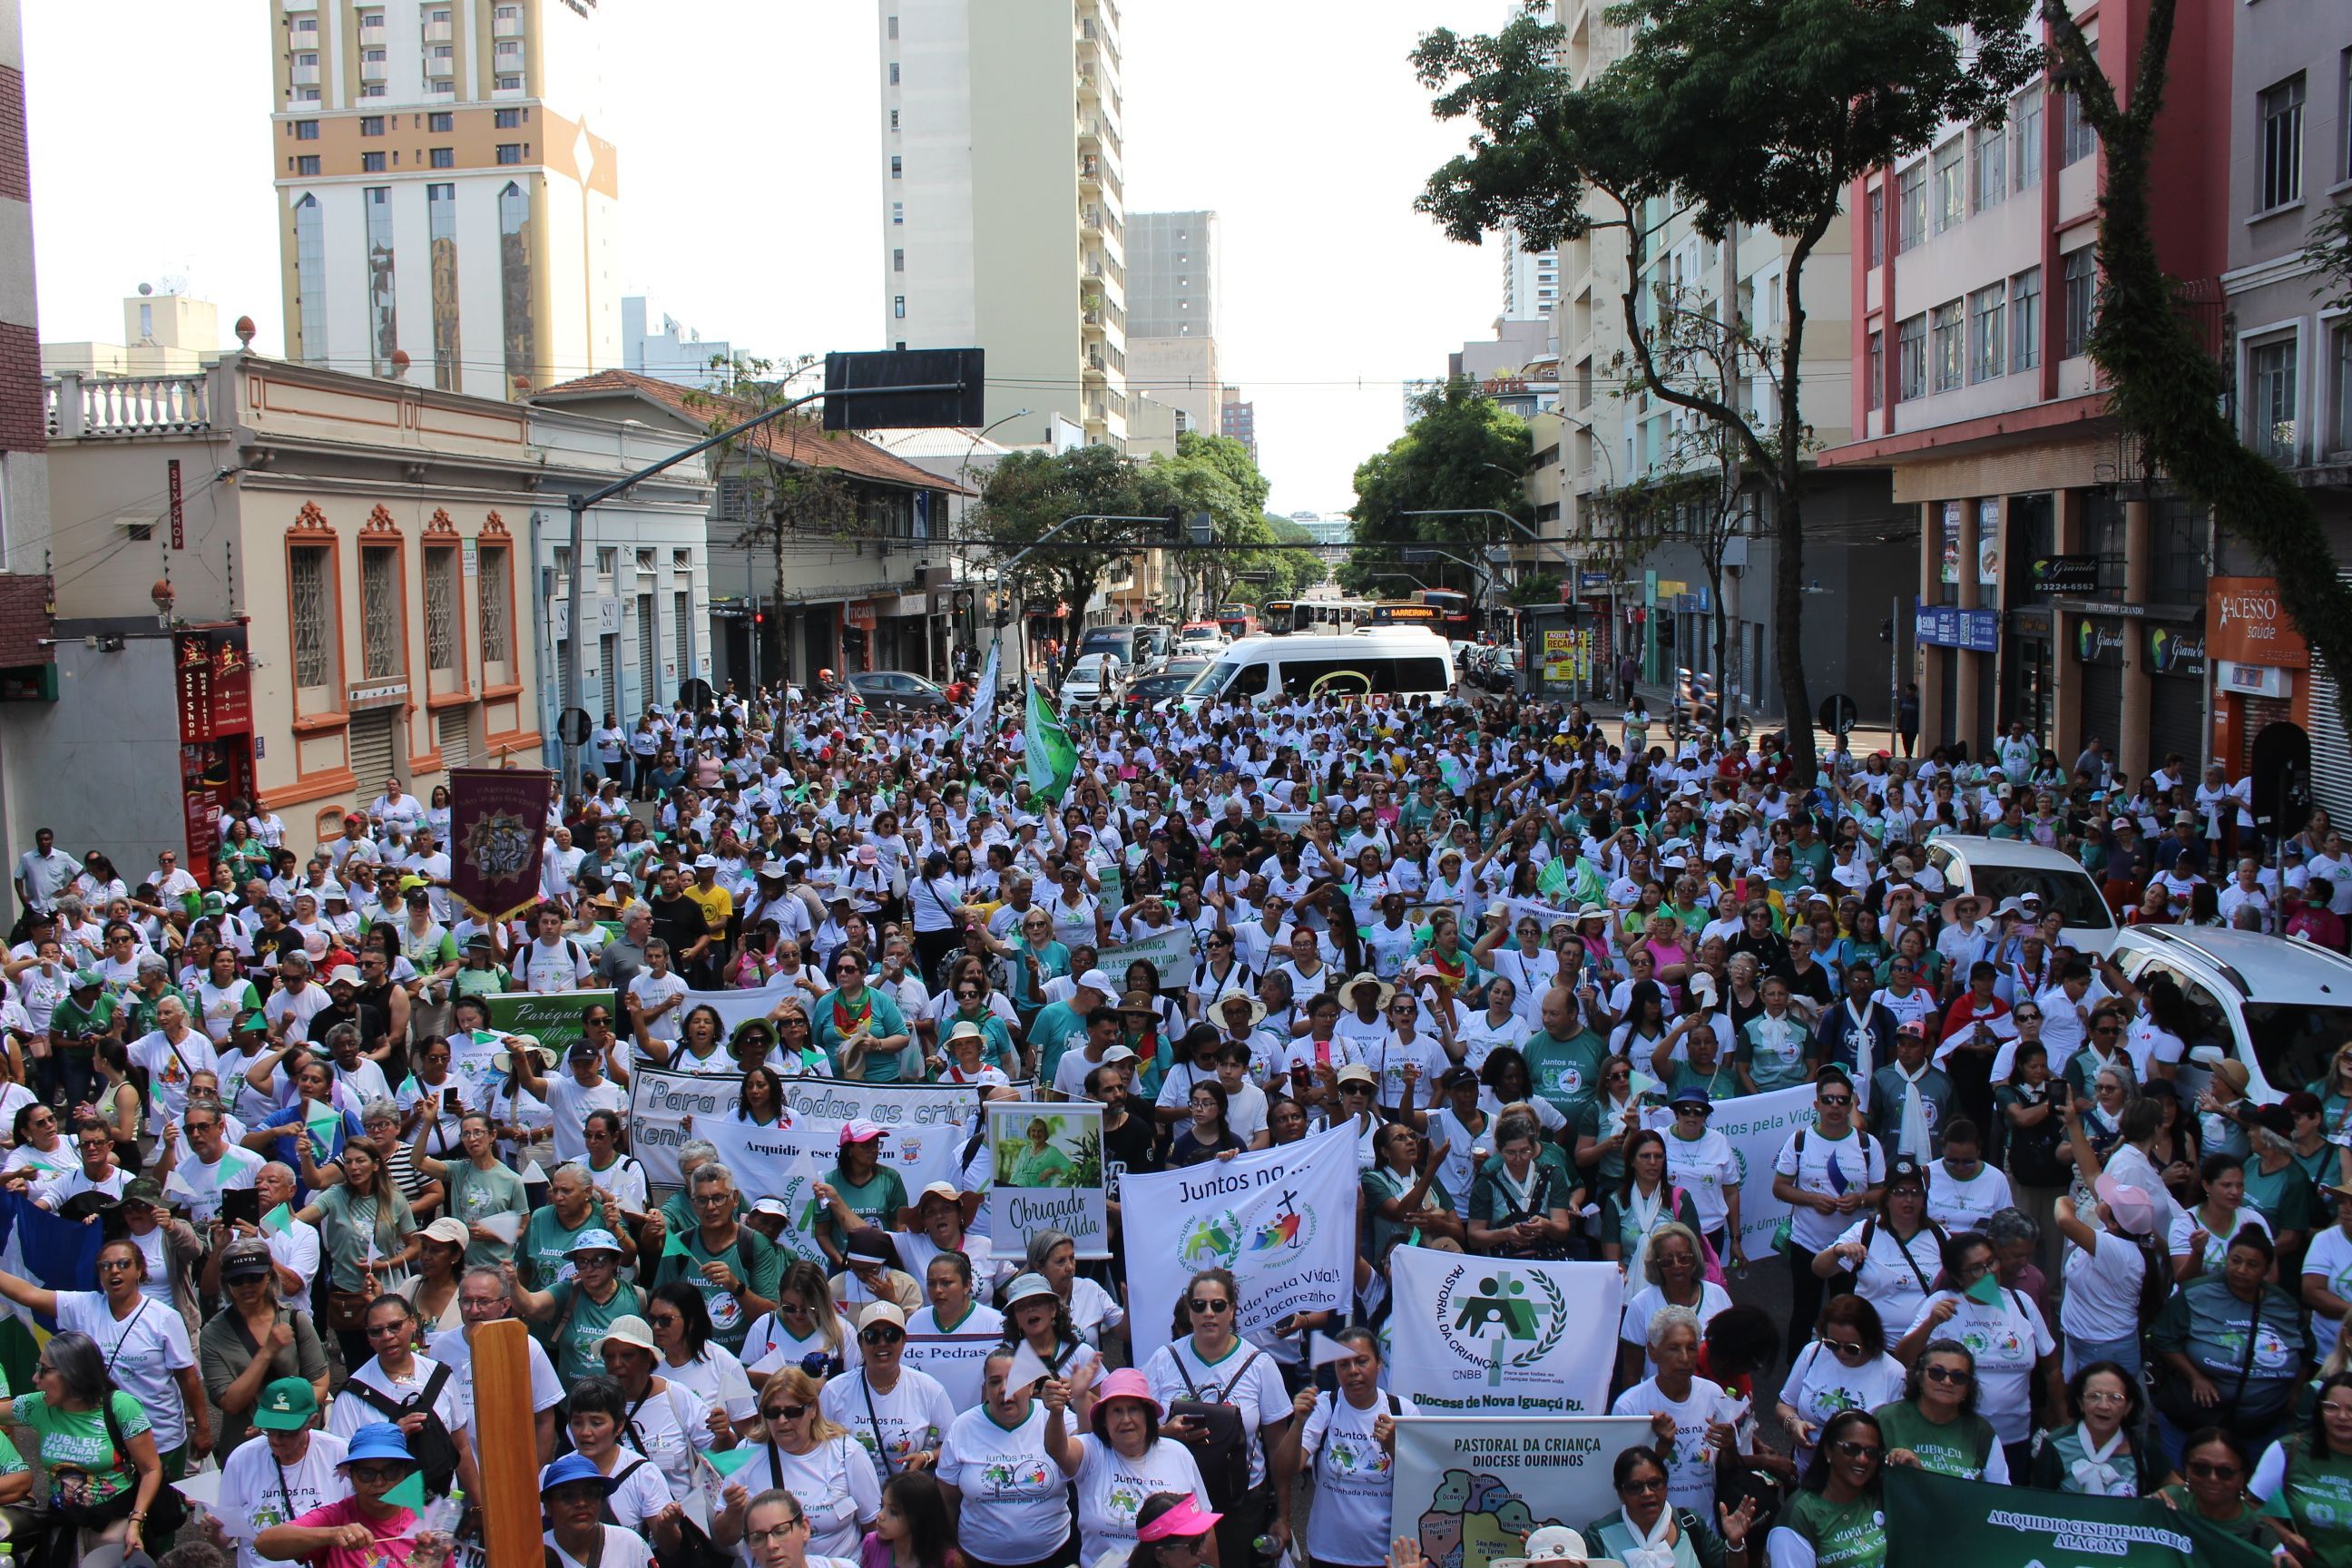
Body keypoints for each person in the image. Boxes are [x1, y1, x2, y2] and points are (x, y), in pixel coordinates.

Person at [0, 1234, 207, 1477]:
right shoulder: (84, 1306)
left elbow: (188, 1377)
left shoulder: (164, 1318)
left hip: (159, 1436)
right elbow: (28, 1294)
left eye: (123, 1264)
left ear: (140, 1270)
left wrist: (203, 1428)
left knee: (161, 1509)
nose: (114, 1271)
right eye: (105, 1266)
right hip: (103, 1438)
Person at [1142, 1266, 1294, 1568]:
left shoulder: (1260, 1365)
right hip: (1177, 1501)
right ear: (1189, 1310)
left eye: (1218, 1305)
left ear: (1232, 1310)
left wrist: (1283, 1516)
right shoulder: (1163, 1360)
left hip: (1242, 1504)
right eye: (1199, 1305)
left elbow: (1278, 1448)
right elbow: (1136, 1433)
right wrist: (1164, 1433)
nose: (1208, 1313)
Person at [2149, 1225, 2312, 1468]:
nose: (2242, 1270)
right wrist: (2194, 1376)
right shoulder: (2196, 1293)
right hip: (2194, 1418)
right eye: (2235, 1261)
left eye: (2252, 1265)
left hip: (2262, 1423)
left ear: (2267, 1270)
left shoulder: (2285, 1306)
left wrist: (2295, 1393)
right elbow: (2162, 1337)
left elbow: (2307, 1351)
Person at [4, 1328, 150, 1568]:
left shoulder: (122, 1407)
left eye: (44, 1370)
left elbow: (151, 1470)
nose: (34, 1378)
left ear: (72, 1373)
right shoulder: (39, 1406)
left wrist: (136, 1522)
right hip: (63, 1526)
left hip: (112, 1529)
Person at [1272, 1328, 1415, 1568]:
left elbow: (1419, 1482)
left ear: (1379, 1363)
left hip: (1384, 1556)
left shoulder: (1402, 1411)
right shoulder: (1325, 1406)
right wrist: (1297, 1422)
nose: (1353, 1371)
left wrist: (1394, 1449)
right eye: (1343, 1364)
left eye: (1362, 1361)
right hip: (1328, 1553)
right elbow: (1285, 1470)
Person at [1044, 1367, 1210, 1568]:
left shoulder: (1178, 1454)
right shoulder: (1091, 1450)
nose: (1126, 1420)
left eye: (1133, 1409)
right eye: (1116, 1411)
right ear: (1104, 1420)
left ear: (1147, 1415)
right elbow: (1058, 1450)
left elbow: (1205, 1528)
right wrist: (1056, 1412)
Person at [1771, 1069, 1885, 1362]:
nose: (1835, 1106)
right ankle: (1795, 1377)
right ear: (1817, 1105)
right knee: (1804, 1312)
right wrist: (1811, 1199)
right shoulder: (1799, 1141)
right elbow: (1780, 1188)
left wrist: (1859, 1199)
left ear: (1851, 1105)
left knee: (1848, 1314)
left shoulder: (1868, 1145)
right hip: (1807, 1243)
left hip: (1853, 1248)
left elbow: (1881, 1192)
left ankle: (1843, 1368)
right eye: (1828, 1099)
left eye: (1841, 1100)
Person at [935, 1346, 1073, 1568]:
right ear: (985, 1389)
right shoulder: (963, 1427)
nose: (1004, 1389)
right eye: (995, 1381)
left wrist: (1083, 1396)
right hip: (978, 1559)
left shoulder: (1056, 1416)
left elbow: (1090, 1453)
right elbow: (947, 1500)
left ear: (1030, 1386)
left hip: (1053, 1556)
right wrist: (949, 1550)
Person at [199, 1236, 332, 1455]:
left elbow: (319, 1384)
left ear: (269, 1276)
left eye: (254, 1277)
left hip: (298, 1440)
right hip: (244, 1443)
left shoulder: (295, 1320)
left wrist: (281, 1420)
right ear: (226, 1282)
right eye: (237, 1280)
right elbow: (230, 1402)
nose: (246, 1285)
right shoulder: (213, 1333)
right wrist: (267, 1352)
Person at [1610, 1306, 1745, 1517]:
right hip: (1652, 1533)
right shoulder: (1630, 1406)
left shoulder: (1713, 1394)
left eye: (1691, 1348)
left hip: (1706, 1531)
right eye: (1673, 1348)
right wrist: (1660, 1449)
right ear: (1652, 1352)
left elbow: (1728, 1468)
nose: (1684, 1358)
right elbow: (1622, 1479)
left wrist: (1729, 1448)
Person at [253, 1421, 435, 1568]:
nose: (379, 1482)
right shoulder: (336, 1517)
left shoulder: (427, 1523)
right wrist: (331, 1535)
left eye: (390, 1472)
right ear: (351, 1475)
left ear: (404, 1473)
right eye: (366, 1473)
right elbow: (265, 1543)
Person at [213, 1378, 349, 1568]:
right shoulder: (241, 1459)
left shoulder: (339, 1453)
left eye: (287, 1432)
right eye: (269, 1430)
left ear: (311, 1421)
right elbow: (224, 1538)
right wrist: (214, 1531)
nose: (276, 1440)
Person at [820, 1301, 957, 1488]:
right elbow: (818, 1445)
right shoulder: (834, 1391)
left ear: (903, 1341)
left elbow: (953, 1443)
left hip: (906, 1501)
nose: (882, 1343)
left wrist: (926, 1456)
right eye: (872, 1336)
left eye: (891, 1335)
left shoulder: (929, 1388)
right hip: (851, 1499)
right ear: (860, 1343)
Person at [1812, 1154, 1945, 1348]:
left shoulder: (1938, 1235)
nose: (1908, 1199)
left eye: (1915, 1192)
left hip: (1927, 1347)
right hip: (1875, 1346)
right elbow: (1819, 1269)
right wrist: (1838, 1251)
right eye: (1899, 1192)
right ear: (1887, 1197)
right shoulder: (1866, 1231)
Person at [749, 1366, 882, 1558]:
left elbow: (873, 1529)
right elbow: (724, 1537)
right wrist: (734, 1510)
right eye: (772, 1412)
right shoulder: (747, 1453)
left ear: (813, 1409)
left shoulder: (848, 1453)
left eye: (793, 1412)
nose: (782, 1420)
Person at [1775, 1297, 1905, 1478]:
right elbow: (1784, 1405)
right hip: (1805, 1472)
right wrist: (1793, 1423)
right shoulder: (1813, 1353)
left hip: (1858, 1482)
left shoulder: (1894, 1374)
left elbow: (1897, 1437)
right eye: (1832, 1344)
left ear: (1869, 1339)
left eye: (1851, 1348)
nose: (1840, 1353)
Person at [1583, 1443, 1758, 1568]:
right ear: (1621, 1494)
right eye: (1635, 1487)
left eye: (1655, 1483)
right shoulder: (1598, 1536)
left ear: (1666, 1486)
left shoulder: (1690, 1523)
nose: (1647, 1493)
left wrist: (1735, 1543)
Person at [2250, 1371, 2352, 1567]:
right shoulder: (2288, 1450)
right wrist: (2284, 1536)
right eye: (2331, 1407)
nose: (2342, 1416)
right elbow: (2251, 1506)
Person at [1765, 1408, 1887, 1568]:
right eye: (1851, 1449)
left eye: (1872, 1452)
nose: (1863, 1459)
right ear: (1828, 1450)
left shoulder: (1877, 1494)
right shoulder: (1800, 1514)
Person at [1872, 1339, 2007, 1483]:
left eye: (1958, 1377)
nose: (1947, 1382)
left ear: (1968, 1387)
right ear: (1919, 1376)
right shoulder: (1886, 1420)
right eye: (1936, 1373)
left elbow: (2001, 1493)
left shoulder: (1982, 1432)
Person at [1620, 1222, 1733, 1387]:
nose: (1676, 1265)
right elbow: (1631, 1372)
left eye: (1683, 1258)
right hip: (1658, 1406)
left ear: (1694, 1258)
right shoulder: (1640, 1304)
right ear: (1656, 1264)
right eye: (1667, 1261)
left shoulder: (1718, 1296)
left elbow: (1734, 1354)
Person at [2027, 1361, 2164, 1496]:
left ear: (2127, 1407)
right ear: (2080, 1402)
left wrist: (2163, 1494)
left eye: (2115, 1398)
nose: (2103, 1406)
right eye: (2094, 1396)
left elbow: (2176, 1487)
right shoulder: (2056, 1444)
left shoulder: (2141, 1445)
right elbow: (2038, 1502)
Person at [537, 1451, 658, 1568]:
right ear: (548, 1506)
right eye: (568, 1496)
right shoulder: (535, 1552)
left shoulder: (630, 1543)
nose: (581, 1503)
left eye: (590, 1493)